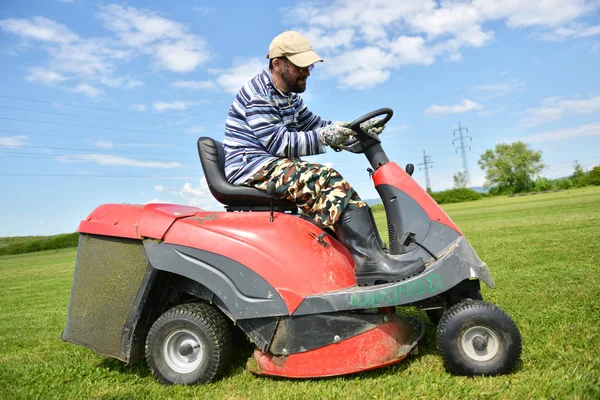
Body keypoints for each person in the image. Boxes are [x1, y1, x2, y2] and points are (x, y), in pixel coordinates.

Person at [223, 31, 424, 285]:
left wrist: (352, 132)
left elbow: (315, 124)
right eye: (301, 65)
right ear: (278, 64)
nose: (308, 70)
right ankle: (371, 264)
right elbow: (278, 142)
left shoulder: (289, 98)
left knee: (338, 188)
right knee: (327, 180)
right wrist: (327, 136)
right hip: (251, 166)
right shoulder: (258, 94)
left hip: (270, 163)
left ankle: (372, 257)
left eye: (309, 64)